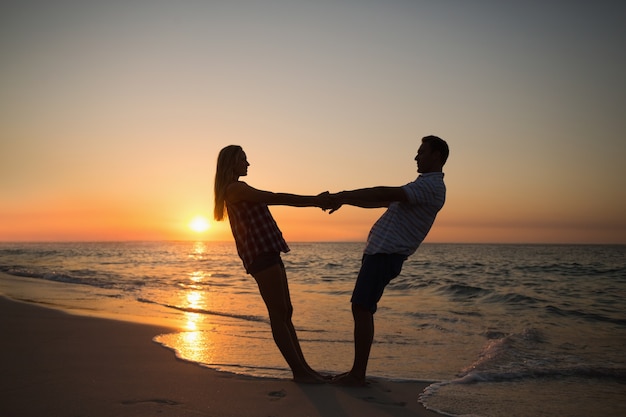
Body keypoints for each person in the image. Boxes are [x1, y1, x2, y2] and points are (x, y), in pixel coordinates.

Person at [328, 135, 449, 386]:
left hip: (386, 254)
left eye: (421, 152)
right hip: (380, 253)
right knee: (361, 307)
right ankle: (356, 373)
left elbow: (384, 192)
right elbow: (382, 200)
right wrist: (345, 200)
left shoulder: (432, 186)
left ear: (436, 155)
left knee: (362, 308)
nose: (416, 156)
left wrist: (342, 194)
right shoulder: (422, 184)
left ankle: (357, 375)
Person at [213, 145, 332, 384]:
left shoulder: (236, 188)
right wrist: (315, 201)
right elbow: (275, 198)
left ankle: (305, 369)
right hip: (261, 255)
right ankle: (299, 372)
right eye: (243, 160)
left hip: (267, 253)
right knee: (278, 313)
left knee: (285, 312)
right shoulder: (236, 188)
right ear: (232, 163)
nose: (248, 164)